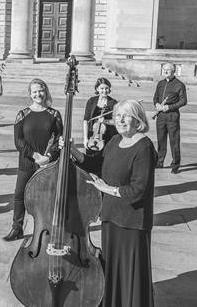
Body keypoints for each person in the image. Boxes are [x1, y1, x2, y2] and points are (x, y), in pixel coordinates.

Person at [68, 99, 157, 307]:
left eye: (126, 116)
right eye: (117, 116)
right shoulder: (115, 140)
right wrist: (73, 151)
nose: (121, 120)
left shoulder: (144, 147)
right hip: (111, 216)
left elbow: (138, 189)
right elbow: (98, 163)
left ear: (138, 120)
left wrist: (108, 190)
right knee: (112, 266)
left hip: (132, 221)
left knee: (129, 269)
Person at [4, 78, 63, 241]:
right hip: (28, 162)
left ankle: (46, 229)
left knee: (47, 197)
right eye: (35, 91)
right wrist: (36, 156)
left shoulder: (54, 114)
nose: (38, 94)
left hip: (48, 163)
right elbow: (18, 141)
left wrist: (49, 157)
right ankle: (17, 228)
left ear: (46, 91)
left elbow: (59, 140)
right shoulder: (23, 114)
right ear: (30, 94)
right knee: (19, 195)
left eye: (41, 90)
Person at [153, 62, 187, 174]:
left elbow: (183, 101)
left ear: (174, 71)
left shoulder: (179, 85)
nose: (165, 71)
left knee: (174, 141)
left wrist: (169, 107)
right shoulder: (160, 83)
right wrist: (157, 104)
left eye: (168, 70)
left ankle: (175, 164)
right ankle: (160, 161)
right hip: (161, 116)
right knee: (161, 140)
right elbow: (155, 98)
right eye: (164, 69)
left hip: (172, 116)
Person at [82, 78, 118, 176]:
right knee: (89, 162)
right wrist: (85, 138)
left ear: (109, 89)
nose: (104, 91)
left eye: (106, 88)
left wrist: (105, 121)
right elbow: (86, 120)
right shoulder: (91, 101)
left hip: (108, 138)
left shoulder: (113, 103)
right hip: (92, 136)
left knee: (104, 163)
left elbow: (117, 122)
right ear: (97, 89)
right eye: (102, 88)